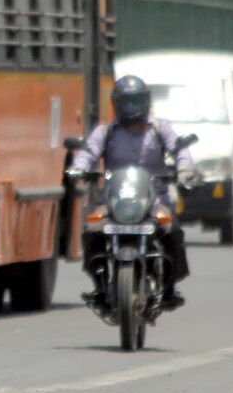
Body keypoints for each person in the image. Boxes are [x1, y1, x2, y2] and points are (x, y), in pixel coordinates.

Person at [68, 75, 194, 309]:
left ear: (145, 102)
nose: (132, 108)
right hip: (114, 199)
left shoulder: (160, 128)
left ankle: (168, 287)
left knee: (172, 231)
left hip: (154, 199)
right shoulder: (106, 132)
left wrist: (185, 169)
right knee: (92, 229)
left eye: (136, 102)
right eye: (126, 102)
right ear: (116, 104)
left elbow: (180, 150)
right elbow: (89, 152)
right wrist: (79, 169)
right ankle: (100, 285)